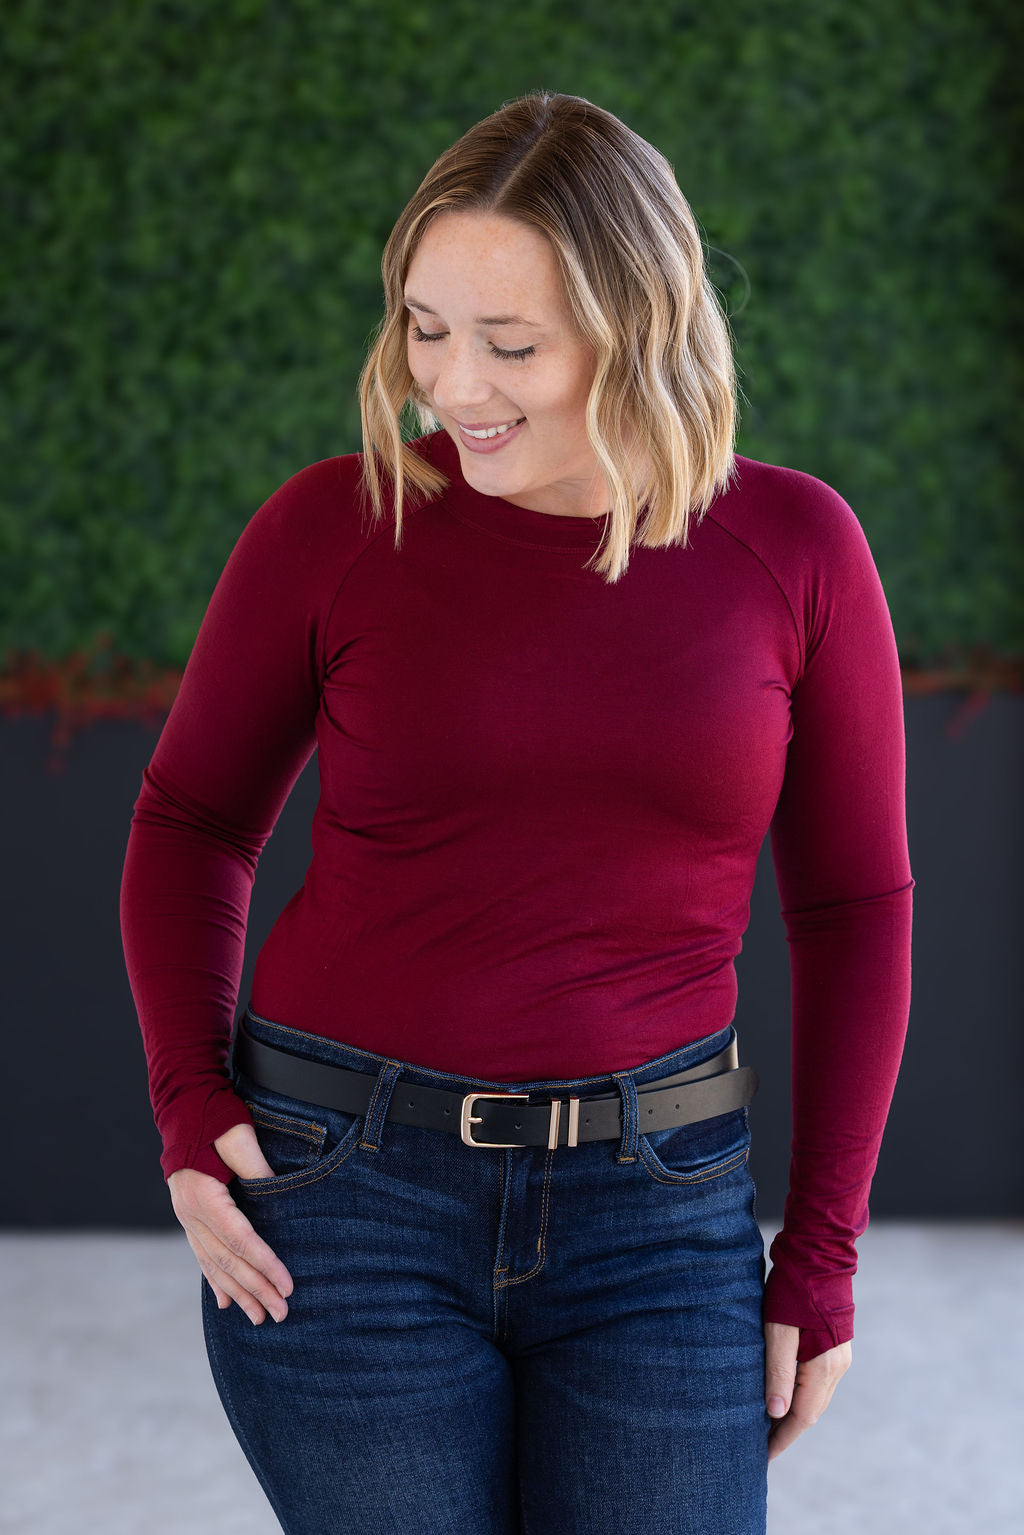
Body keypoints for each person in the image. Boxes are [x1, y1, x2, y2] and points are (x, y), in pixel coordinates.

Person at [120, 90, 913, 1535]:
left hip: (659, 1212)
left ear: (640, 325)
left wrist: (824, 1249)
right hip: (340, 1196)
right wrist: (189, 1105)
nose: (452, 386)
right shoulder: (336, 527)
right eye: (425, 327)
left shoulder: (793, 550)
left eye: (511, 344)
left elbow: (854, 910)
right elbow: (190, 822)